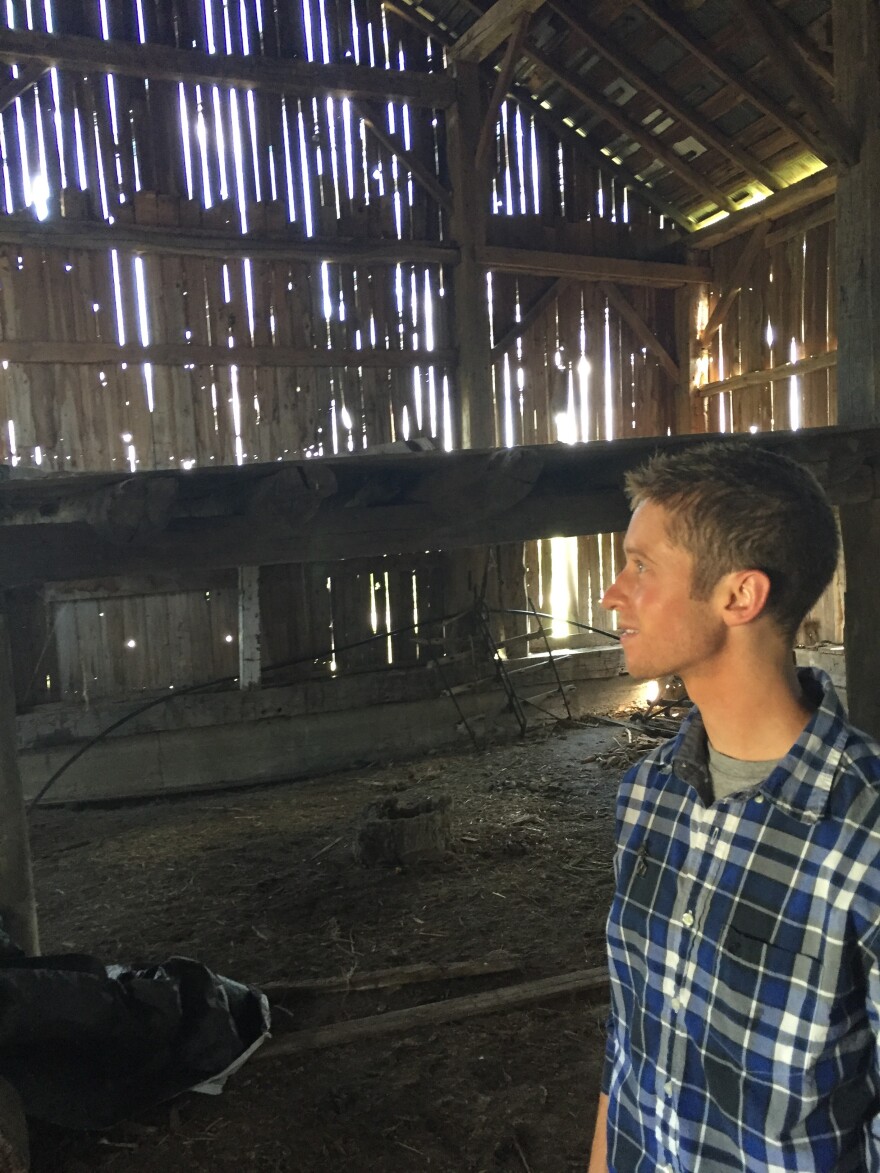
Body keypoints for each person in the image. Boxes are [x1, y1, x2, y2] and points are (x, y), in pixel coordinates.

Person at [587, 441, 880, 1172]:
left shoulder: (865, 837)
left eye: (642, 566)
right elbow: (632, 1044)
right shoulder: (648, 794)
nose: (612, 593)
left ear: (739, 596)